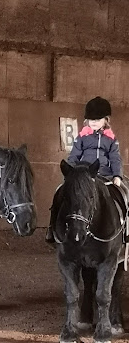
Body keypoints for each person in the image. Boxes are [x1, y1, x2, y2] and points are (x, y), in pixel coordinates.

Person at [46, 96, 127, 243]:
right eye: (91, 119)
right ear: (86, 121)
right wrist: (70, 172)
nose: (94, 122)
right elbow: (74, 155)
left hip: (104, 175)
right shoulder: (81, 138)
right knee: (59, 190)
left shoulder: (111, 139)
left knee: (126, 193)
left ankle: (125, 231)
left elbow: (115, 158)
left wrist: (118, 176)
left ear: (106, 120)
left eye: (98, 119)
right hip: (83, 174)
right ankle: (52, 229)